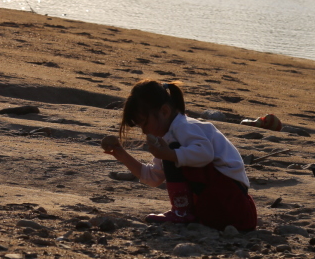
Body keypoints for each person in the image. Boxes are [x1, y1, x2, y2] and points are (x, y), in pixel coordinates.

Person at [101, 80, 257, 231]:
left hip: (232, 204)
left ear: (164, 111)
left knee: (174, 151)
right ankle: (185, 212)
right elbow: (153, 177)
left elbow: (205, 154)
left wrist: (170, 154)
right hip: (222, 206)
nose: (144, 131)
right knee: (173, 152)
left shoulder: (185, 126)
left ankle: (181, 212)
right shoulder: (169, 138)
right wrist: (123, 156)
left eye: (145, 123)